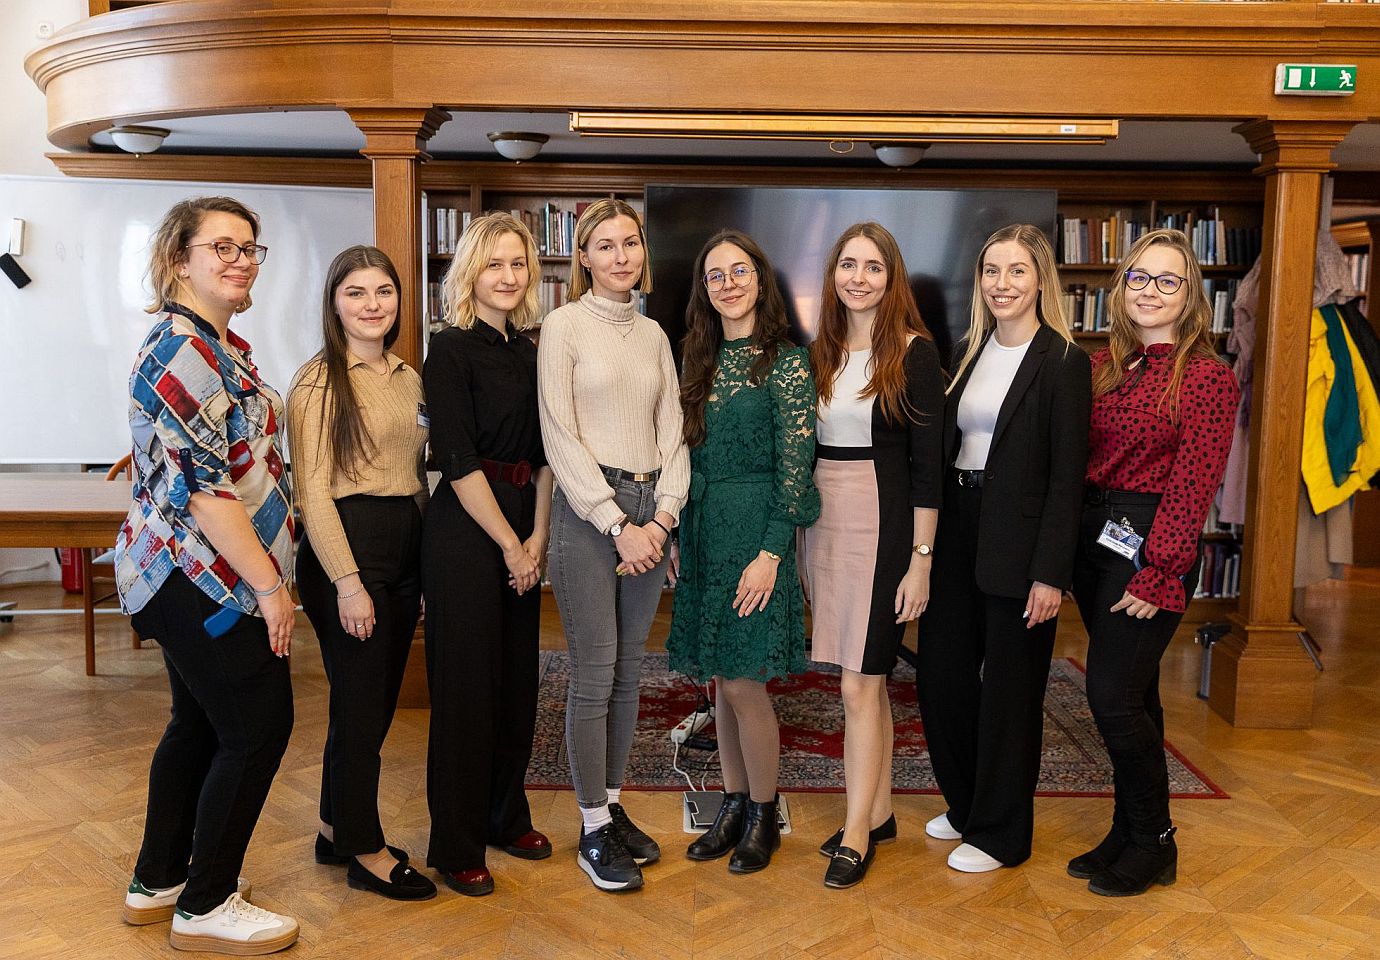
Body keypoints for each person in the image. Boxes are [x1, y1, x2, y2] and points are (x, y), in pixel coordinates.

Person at [113, 196, 298, 954]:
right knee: (258, 727)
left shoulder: (216, 346)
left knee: (197, 725)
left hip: (191, 572)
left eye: (249, 248)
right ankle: (207, 903)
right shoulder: (184, 349)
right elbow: (209, 494)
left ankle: (159, 881)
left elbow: (202, 452)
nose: (241, 260)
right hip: (201, 576)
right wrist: (272, 588)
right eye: (222, 247)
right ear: (177, 259)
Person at [915, 224, 1091, 874]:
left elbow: (1067, 477)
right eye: (992, 270)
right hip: (958, 529)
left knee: (1010, 696)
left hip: (1021, 543)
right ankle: (967, 807)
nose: (1002, 283)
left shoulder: (1064, 361)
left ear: (1041, 279)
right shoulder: (969, 348)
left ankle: (1001, 835)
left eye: (1017, 271)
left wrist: (1051, 574)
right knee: (940, 677)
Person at [1069, 228, 1239, 897]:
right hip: (1093, 540)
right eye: (1139, 277)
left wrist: (1160, 568)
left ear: (1191, 294)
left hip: (1147, 545)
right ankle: (1128, 831)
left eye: (1167, 280)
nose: (1150, 291)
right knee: (1135, 694)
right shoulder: (1102, 366)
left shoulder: (1207, 376)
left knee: (1110, 697)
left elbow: (1195, 481)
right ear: (1121, 288)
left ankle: (1156, 839)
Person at [538, 198, 691, 893]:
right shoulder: (563, 326)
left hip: (649, 511)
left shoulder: (654, 334)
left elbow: (673, 432)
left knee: (631, 672)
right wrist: (615, 523)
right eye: (605, 245)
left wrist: (661, 520)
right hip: (588, 514)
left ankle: (614, 803)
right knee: (595, 672)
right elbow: (559, 433)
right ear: (584, 257)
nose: (621, 256)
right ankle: (592, 826)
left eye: (631, 243)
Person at [666, 230, 820, 874]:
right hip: (704, 531)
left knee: (744, 682)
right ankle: (730, 806)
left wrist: (772, 553)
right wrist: (677, 533)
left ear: (760, 279)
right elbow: (680, 453)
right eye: (715, 275)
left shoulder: (786, 360)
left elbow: (797, 465)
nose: (728, 284)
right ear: (704, 289)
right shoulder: (694, 357)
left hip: (757, 537)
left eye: (739, 272)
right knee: (719, 680)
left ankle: (763, 813)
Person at [288, 245, 436, 901]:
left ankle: (333, 827)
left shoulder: (407, 376)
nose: (372, 305)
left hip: (403, 543)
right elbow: (313, 494)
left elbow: (414, 476)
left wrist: (424, 565)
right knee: (360, 706)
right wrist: (348, 584)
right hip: (347, 548)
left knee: (370, 704)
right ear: (334, 302)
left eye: (383, 291)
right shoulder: (318, 383)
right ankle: (365, 850)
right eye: (356, 292)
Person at [804, 222, 944, 889]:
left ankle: (856, 831)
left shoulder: (915, 353)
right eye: (848, 265)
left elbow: (927, 470)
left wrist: (921, 560)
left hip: (885, 527)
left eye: (873, 267)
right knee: (867, 676)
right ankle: (880, 810)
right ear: (833, 275)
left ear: (892, 280)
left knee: (858, 683)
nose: (858, 278)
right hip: (825, 524)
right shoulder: (819, 352)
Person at [422, 212, 554, 897]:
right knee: (467, 693)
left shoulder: (533, 352)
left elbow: (546, 456)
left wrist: (538, 539)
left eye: (518, 263)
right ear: (470, 272)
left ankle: (506, 818)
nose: (508, 275)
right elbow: (457, 458)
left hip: (525, 525)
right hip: (467, 533)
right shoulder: (448, 350)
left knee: (515, 687)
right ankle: (456, 844)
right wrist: (509, 544)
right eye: (494, 263)